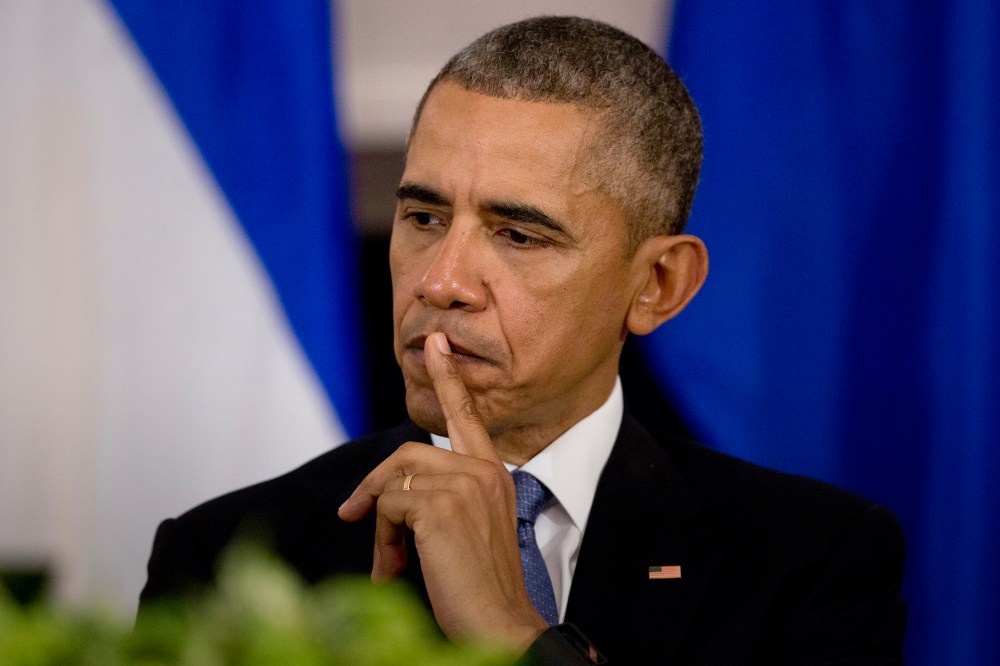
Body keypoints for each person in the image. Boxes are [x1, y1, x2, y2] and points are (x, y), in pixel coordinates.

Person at [140, 16, 906, 664]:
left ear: (658, 285)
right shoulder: (226, 560)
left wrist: (515, 638)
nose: (440, 283)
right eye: (424, 218)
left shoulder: (813, 563)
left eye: (517, 235)